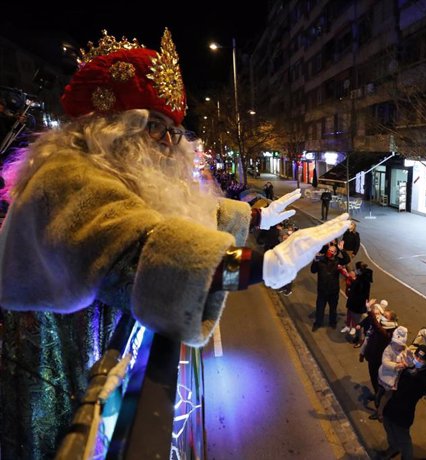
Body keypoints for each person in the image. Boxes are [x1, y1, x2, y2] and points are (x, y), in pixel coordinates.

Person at [0, 30, 351, 459]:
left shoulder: (109, 170)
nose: (169, 143)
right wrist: (268, 265)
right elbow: (141, 248)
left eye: (173, 130)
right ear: (111, 126)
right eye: (156, 127)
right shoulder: (70, 176)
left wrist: (259, 216)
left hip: (88, 349)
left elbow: (172, 212)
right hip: (47, 374)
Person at [379, 344, 426, 460]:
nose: (417, 360)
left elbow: (423, 384)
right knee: (388, 425)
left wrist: (412, 370)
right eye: (417, 356)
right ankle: (393, 447)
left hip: (404, 412)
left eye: (421, 359)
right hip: (393, 404)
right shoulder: (409, 366)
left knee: (403, 438)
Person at [372, 326, 409, 421]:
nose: (399, 346)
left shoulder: (404, 349)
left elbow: (407, 358)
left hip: (394, 379)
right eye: (397, 343)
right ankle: (378, 407)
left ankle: (380, 410)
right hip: (386, 376)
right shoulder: (389, 349)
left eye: (400, 344)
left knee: (387, 396)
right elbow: (385, 362)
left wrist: (406, 362)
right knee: (380, 392)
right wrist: (397, 365)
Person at [310, 242, 350, 330]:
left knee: (333, 309)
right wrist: (315, 261)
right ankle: (318, 323)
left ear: (335, 253)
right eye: (329, 250)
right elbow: (313, 270)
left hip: (333, 290)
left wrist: (342, 250)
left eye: (332, 251)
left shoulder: (338, 261)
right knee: (320, 308)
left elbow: (347, 260)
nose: (330, 252)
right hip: (322, 290)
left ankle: (332, 322)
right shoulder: (320, 259)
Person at [343, 261, 373, 338]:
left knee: (357, 322)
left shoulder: (363, 281)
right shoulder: (361, 279)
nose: (355, 271)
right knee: (351, 316)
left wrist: (352, 281)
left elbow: (360, 293)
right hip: (353, 303)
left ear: (359, 271)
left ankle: (357, 337)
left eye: (356, 269)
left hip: (357, 305)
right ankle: (350, 328)